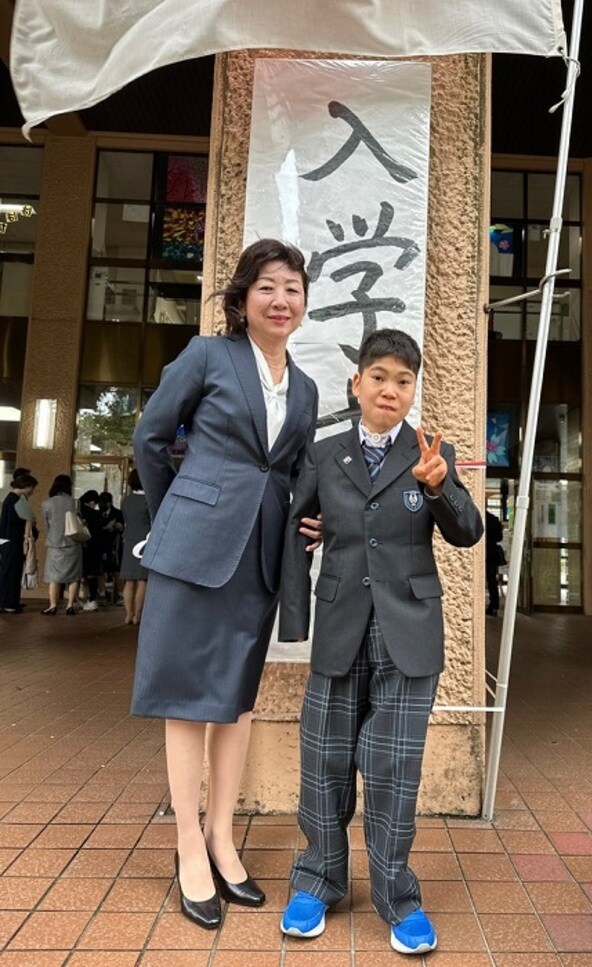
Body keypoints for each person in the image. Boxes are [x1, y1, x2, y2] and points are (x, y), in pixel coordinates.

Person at [130, 238, 320, 932]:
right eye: (268, 286)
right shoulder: (209, 356)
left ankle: (220, 837)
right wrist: (175, 511)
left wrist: (312, 518)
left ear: (304, 303)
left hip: (260, 557)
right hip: (194, 550)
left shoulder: (305, 387)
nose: (281, 299)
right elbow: (150, 436)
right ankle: (187, 845)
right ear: (242, 299)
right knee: (187, 698)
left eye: (293, 287)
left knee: (234, 702)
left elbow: (294, 472)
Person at [278, 329, 483, 955]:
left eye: (403, 380)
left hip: (408, 632)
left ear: (413, 390)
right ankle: (318, 878)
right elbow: (297, 529)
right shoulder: (325, 453)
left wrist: (441, 485)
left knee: (394, 770)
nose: (390, 389)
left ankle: (398, 895)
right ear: (356, 383)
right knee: (324, 763)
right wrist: (295, 622)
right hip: (340, 625)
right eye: (379, 377)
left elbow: (470, 532)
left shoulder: (428, 454)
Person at [42, 474, 83, 615]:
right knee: (74, 576)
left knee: (54, 577)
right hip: (73, 542)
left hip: (54, 544)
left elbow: (47, 524)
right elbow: (79, 523)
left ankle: (52, 605)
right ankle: (70, 604)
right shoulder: (74, 502)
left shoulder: (47, 503)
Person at [0, 473, 38, 613]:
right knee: (11, 573)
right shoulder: (16, 500)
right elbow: (24, 520)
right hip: (13, 541)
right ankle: (8, 603)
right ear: (25, 486)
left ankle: (10, 602)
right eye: (31, 488)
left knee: (10, 572)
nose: (32, 491)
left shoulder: (11, 499)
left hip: (8, 541)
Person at [119, 469, 150, 625]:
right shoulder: (148, 500)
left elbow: (125, 520)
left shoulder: (126, 501)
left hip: (129, 540)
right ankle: (138, 615)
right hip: (144, 541)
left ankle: (128, 614)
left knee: (128, 580)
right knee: (142, 580)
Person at [79, 490, 104, 611]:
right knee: (92, 574)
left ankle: (75, 599)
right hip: (94, 547)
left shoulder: (78, 513)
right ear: (92, 502)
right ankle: (92, 599)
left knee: (79, 574)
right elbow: (99, 533)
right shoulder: (96, 514)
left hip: (80, 546)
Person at [99, 491, 124, 603]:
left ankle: (120, 595)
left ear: (109, 503)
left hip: (114, 545)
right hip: (102, 543)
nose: (101, 506)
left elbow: (122, 527)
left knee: (116, 570)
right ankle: (102, 594)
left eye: (104, 503)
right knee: (101, 570)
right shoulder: (98, 513)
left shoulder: (118, 513)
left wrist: (116, 527)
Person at [485, 508, 504, 616]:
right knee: (492, 581)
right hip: (492, 553)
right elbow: (499, 537)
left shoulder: (478, 518)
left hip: (480, 552)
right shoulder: (494, 519)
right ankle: (494, 605)